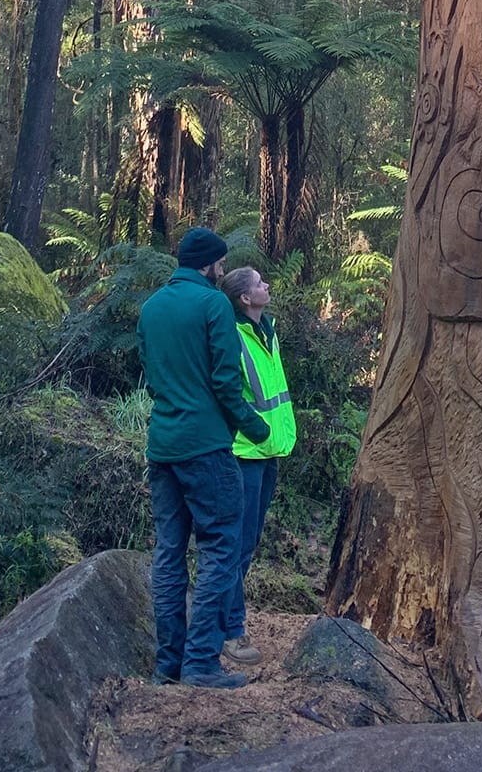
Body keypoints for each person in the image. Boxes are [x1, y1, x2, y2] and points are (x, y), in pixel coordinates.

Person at [136, 226, 270, 689]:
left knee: (169, 553)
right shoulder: (214, 304)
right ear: (212, 265)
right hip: (207, 448)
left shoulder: (151, 308)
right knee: (220, 548)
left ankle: (167, 665)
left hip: (162, 447)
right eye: (221, 263)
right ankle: (201, 665)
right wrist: (255, 427)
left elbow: (151, 378)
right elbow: (227, 384)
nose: (223, 270)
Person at [218, 266, 296, 667]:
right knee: (237, 544)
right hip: (245, 452)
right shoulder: (233, 335)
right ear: (245, 298)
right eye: (260, 283)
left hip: (268, 452)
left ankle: (221, 618)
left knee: (248, 544)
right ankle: (230, 630)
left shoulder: (267, 331)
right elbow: (228, 393)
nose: (267, 285)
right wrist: (258, 429)